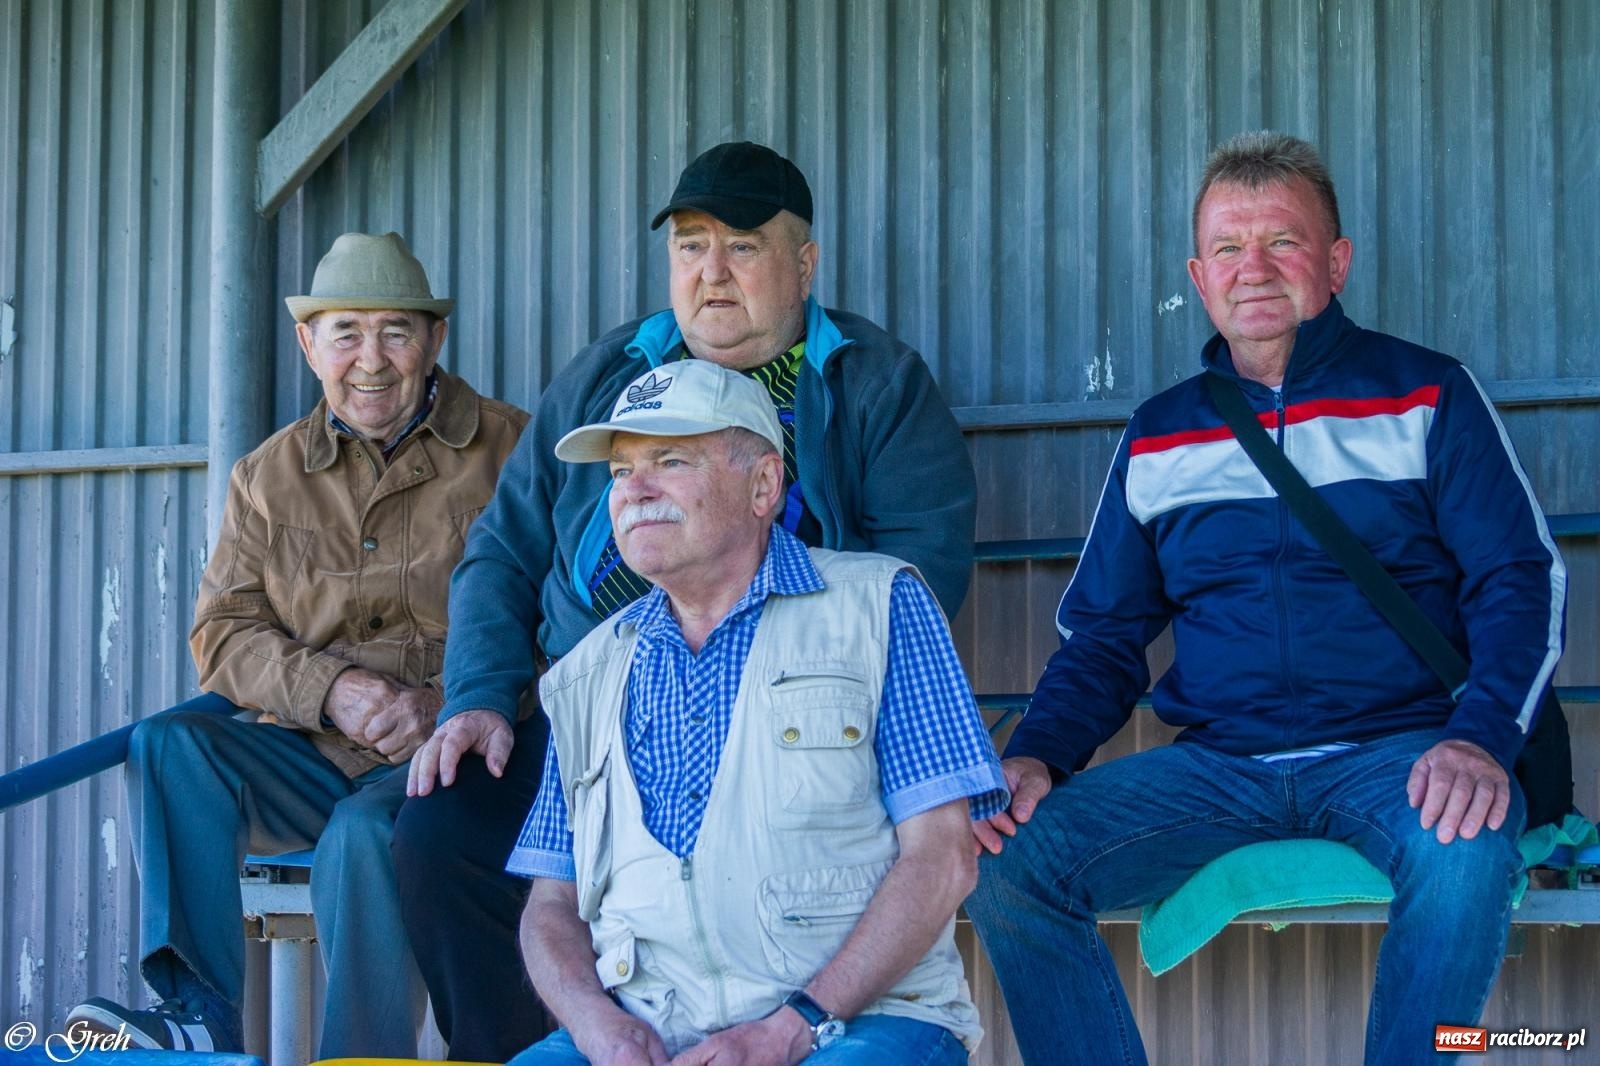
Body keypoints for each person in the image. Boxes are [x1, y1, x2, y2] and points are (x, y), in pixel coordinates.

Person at [965, 131, 1566, 1066]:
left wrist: (1480, 737)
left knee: (1468, 849)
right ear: (1199, 278)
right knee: (1006, 860)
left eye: (1283, 241)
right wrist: (1037, 754)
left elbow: (1519, 580)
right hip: (1220, 768)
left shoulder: (1427, 394)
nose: (1255, 268)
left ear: (1336, 262)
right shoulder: (1159, 434)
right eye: (1229, 248)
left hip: (1398, 755)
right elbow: (1105, 637)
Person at [394, 141, 977, 1059]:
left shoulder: (873, 382)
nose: (712, 273)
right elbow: (503, 549)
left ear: (803, 264)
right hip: (596, 714)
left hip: (797, 716)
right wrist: (477, 697)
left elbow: (916, 578)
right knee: (439, 827)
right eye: (691, 246)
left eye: (742, 247)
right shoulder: (610, 371)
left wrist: (787, 654)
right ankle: (560, 1042)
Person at [66, 233, 529, 1054]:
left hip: (456, 754)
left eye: (395, 332)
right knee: (168, 744)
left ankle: (362, 1056)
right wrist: (333, 691)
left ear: (434, 341)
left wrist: (451, 701)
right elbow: (223, 632)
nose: (370, 360)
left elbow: (567, 622)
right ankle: (198, 1015)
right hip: (316, 753)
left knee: (361, 836)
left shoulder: (512, 449)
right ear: (309, 345)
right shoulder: (266, 475)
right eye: (345, 333)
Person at [507, 358, 1004, 1064]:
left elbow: (943, 859)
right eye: (620, 472)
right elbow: (550, 906)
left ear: (763, 485)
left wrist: (793, 1026)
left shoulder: (879, 606)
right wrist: (597, 1028)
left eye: (669, 461)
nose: (634, 491)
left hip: (855, 1025)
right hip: (645, 1034)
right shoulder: (585, 674)